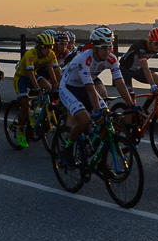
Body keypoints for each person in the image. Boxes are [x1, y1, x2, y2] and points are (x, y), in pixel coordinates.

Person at [57, 26, 136, 163]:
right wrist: (97, 111)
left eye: (109, 46)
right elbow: (90, 89)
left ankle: (97, 155)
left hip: (85, 87)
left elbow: (119, 82)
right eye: (104, 47)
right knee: (85, 119)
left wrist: (131, 105)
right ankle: (68, 147)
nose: (108, 51)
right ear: (94, 47)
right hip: (69, 87)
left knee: (107, 120)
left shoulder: (111, 59)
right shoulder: (84, 59)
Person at [11, 32, 58, 148]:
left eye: (51, 47)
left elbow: (55, 70)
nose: (49, 50)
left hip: (33, 76)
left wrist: (58, 85)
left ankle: (35, 114)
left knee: (48, 87)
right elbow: (30, 73)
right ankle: (21, 131)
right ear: (39, 47)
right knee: (25, 104)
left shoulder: (51, 54)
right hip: (21, 78)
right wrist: (37, 89)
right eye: (46, 47)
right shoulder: (30, 54)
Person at [119, 27, 158, 92]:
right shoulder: (141, 45)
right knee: (131, 97)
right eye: (156, 43)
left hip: (138, 69)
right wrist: (152, 84)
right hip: (126, 69)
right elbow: (145, 67)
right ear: (150, 40)